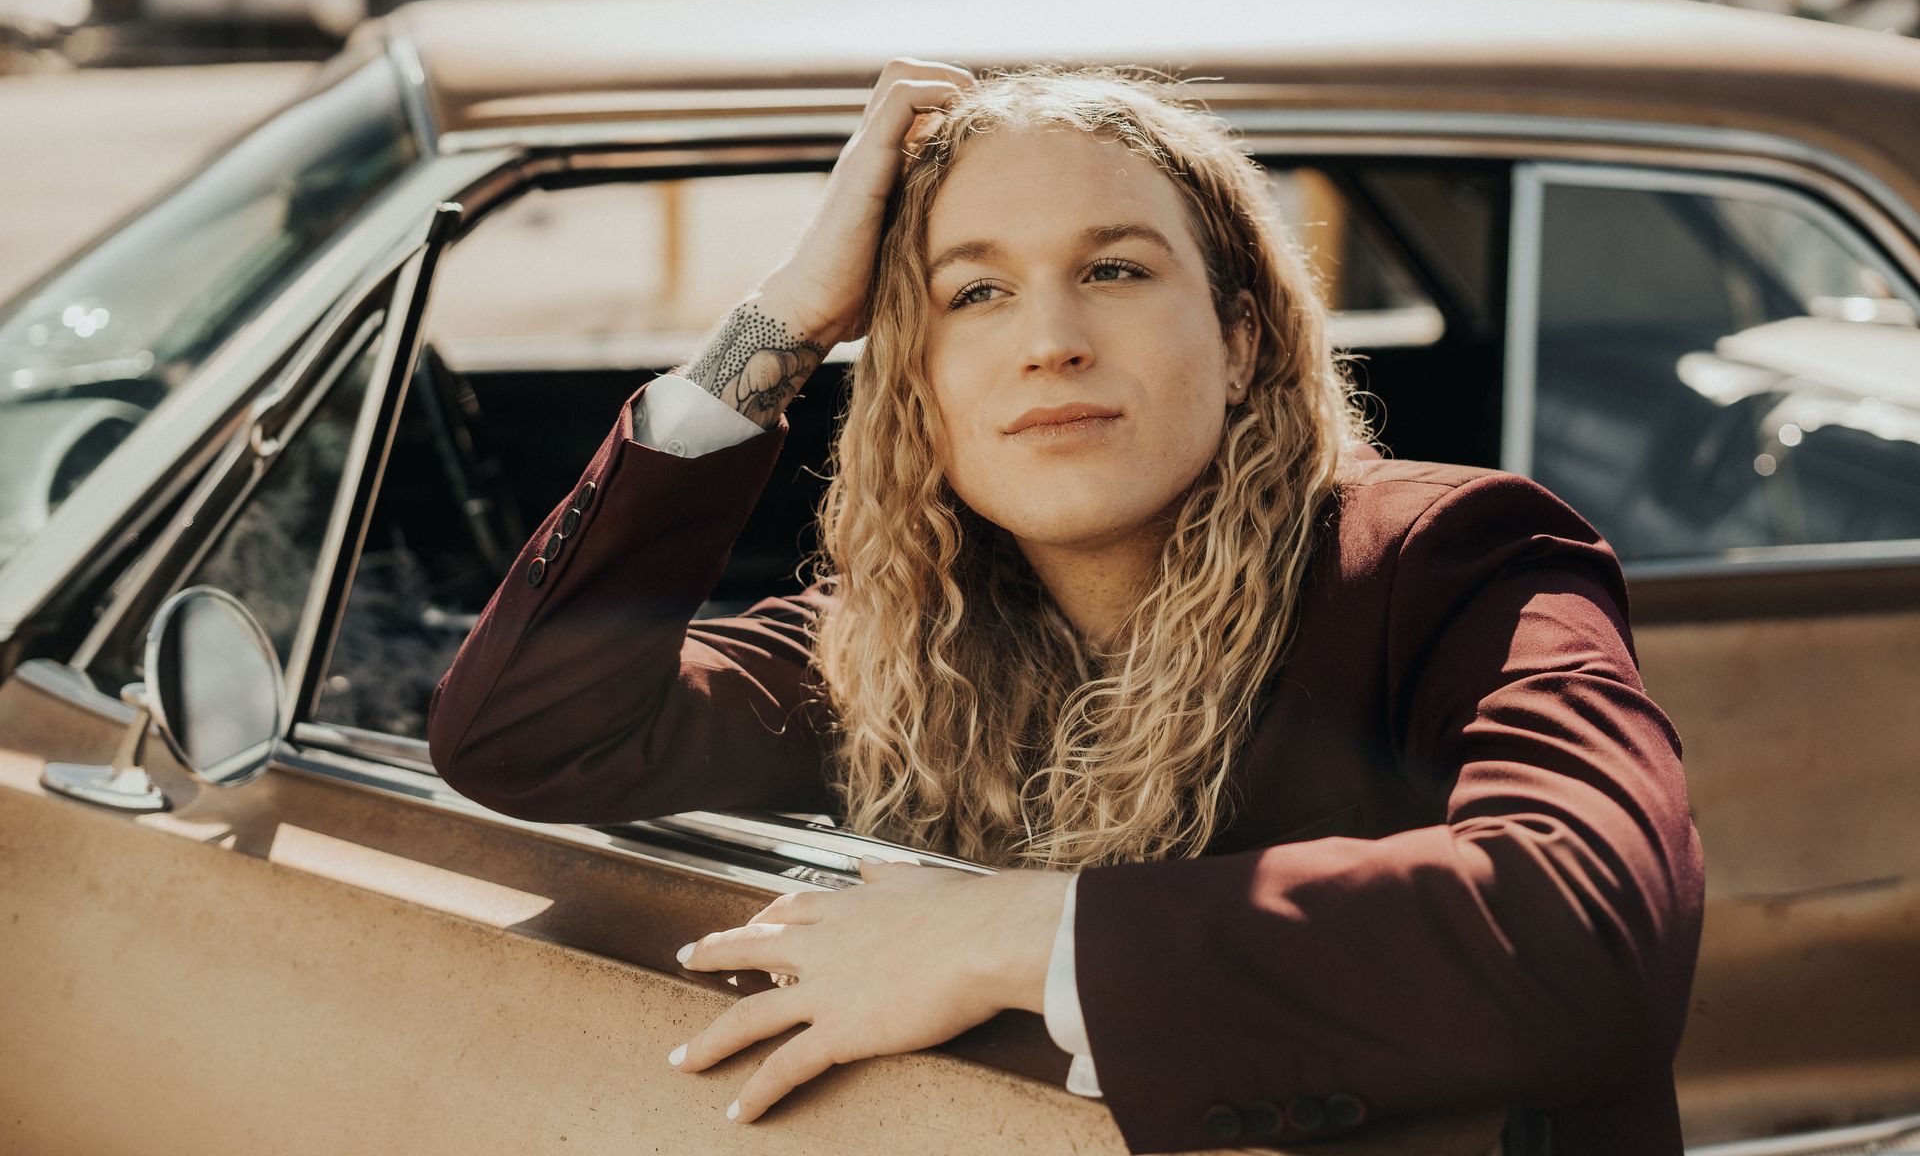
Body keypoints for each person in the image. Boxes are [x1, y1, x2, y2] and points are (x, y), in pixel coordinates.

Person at [425, 57, 1705, 1155]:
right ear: (919, 385)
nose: (1051, 339)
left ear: (1244, 337)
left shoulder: (1454, 560)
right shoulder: (890, 638)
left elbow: (1588, 930)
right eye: (973, 292)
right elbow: (525, 734)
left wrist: (1007, 932)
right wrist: (783, 323)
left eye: (1115, 269)